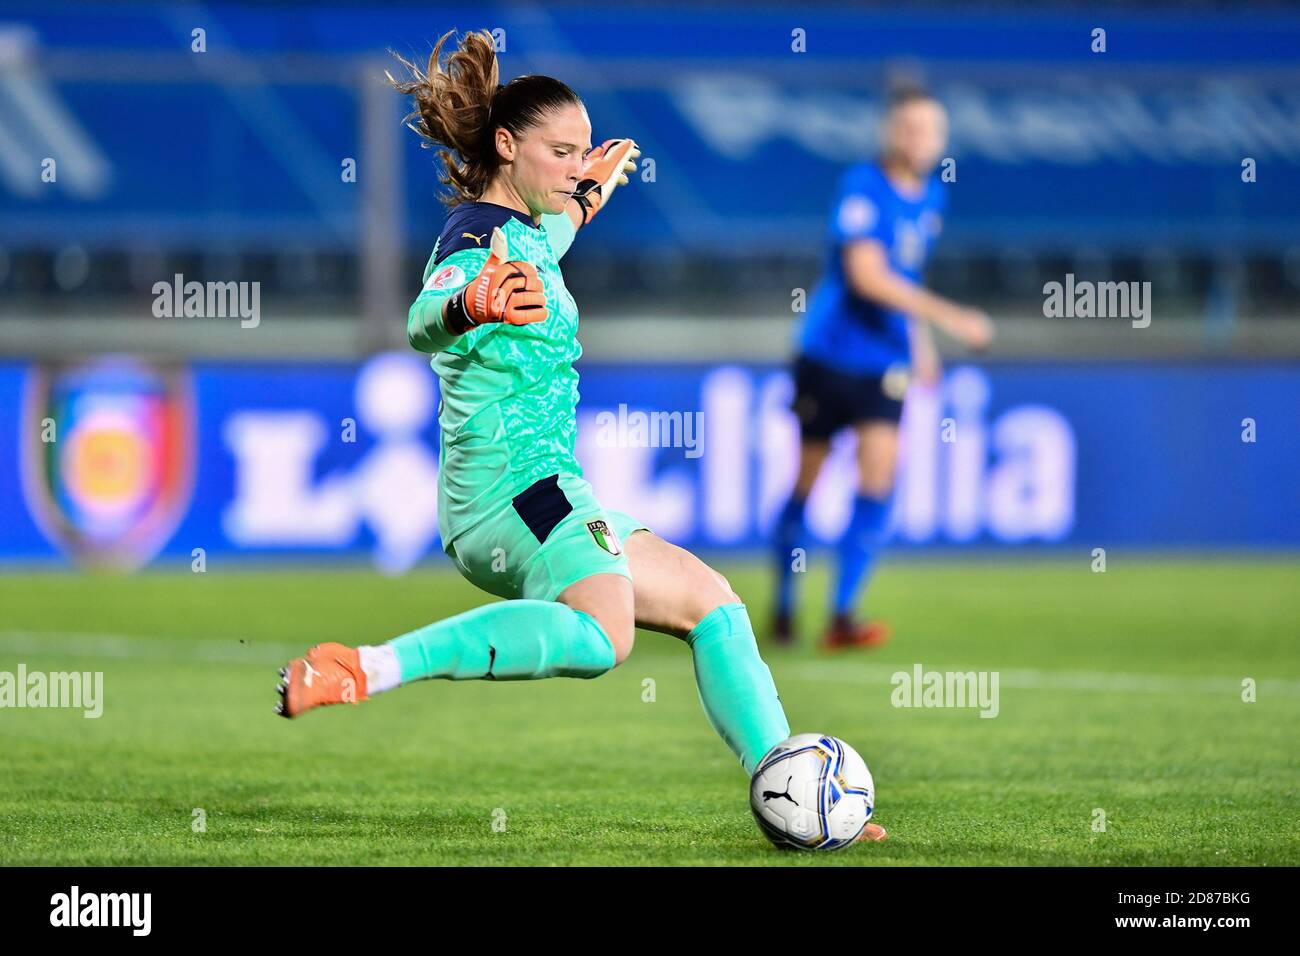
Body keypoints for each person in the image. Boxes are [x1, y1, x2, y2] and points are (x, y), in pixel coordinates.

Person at [273, 33, 891, 844]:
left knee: (712, 606)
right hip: (511, 494)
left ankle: (788, 782)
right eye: (559, 152)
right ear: (506, 146)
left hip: (547, 489)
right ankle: (369, 667)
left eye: (580, 152)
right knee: (607, 638)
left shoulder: (531, 229)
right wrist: (472, 306)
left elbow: (556, 231)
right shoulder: (475, 236)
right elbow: (427, 316)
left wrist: (587, 192)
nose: (574, 165)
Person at [772, 87, 993, 649]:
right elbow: (869, 277)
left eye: (932, 131)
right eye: (912, 129)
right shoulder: (863, 189)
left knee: (879, 476)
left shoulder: (931, 198)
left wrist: (919, 345)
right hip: (828, 357)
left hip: (883, 365)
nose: (922, 140)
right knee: (808, 479)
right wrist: (952, 318)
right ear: (891, 133)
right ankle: (783, 604)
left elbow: (904, 279)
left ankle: (843, 614)